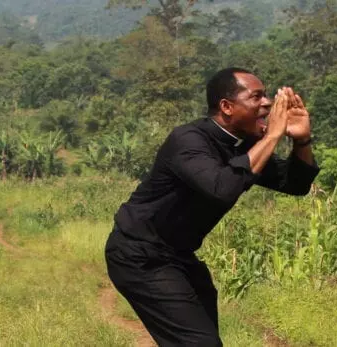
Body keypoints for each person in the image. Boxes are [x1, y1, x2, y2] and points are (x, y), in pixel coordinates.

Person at [103, 67, 319, 346]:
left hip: (179, 255)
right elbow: (221, 189)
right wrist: (272, 137)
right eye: (256, 97)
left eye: (266, 96)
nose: (267, 104)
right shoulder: (188, 140)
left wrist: (302, 140)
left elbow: (296, 184)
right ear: (227, 107)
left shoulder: (247, 144)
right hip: (140, 256)